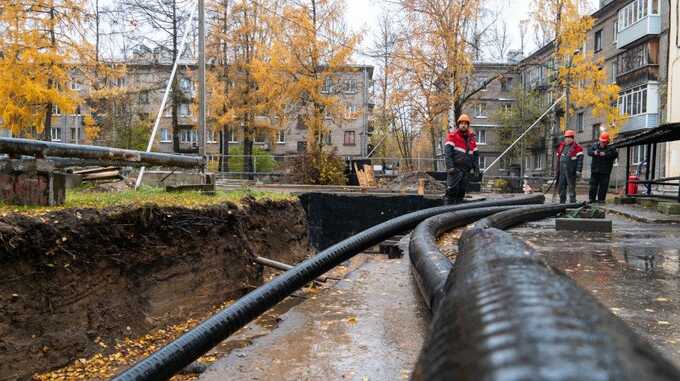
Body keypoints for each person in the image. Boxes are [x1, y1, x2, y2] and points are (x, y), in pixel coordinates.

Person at [444, 114, 480, 204]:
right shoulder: (452, 136)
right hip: (455, 170)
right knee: (452, 191)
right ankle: (447, 212)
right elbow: (448, 154)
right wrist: (450, 167)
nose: (463, 125)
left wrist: (476, 168)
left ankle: (458, 213)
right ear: (458, 125)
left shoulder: (472, 140)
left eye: (465, 123)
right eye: (461, 123)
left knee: (461, 192)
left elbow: (475, 156)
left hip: (465, 171)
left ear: (468, 125)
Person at [587, 131, 618, 203]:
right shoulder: (595, 146)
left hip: (605, 171)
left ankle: (601, 200)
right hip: (595, 170)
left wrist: (605, 154)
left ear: (607, 142)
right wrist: (594, 152)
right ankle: (592, 199)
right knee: (593, 186)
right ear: (599, 140)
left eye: (604, 142)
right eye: (601, 142)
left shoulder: (611, 147)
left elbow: (615, 155)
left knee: (603, 186)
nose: (602, 143)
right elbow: (589, 151)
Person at [555, 129, 584, 204]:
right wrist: (557, 169)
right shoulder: (561, 147)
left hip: (571, 171)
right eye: (566, 138)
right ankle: (562, 202)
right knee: (561, 187)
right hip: (561, 171)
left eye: (569, 138)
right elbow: (558, 159)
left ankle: (572, 203)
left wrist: (578, 171)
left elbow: (580, 161)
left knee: (571, 188)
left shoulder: (578, 148)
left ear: (572, 138)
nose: (567, 139)